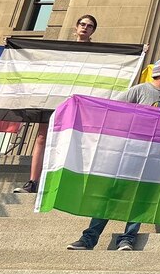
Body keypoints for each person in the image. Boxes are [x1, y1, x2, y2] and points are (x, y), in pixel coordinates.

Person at [67, 58, 160, 251]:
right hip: (129, 151)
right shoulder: (140, 90)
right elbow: (113, 108)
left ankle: (127, 238)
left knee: (139, 197)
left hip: (154, 155)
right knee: (111, 194)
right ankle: (89, 239)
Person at [14, 14, 99, 194]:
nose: (85, 27)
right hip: (53, 97)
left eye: (89, 26)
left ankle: (65, 184)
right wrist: (13, 47)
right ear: (76, 27)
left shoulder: (96, 52)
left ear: (92, 31)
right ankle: (33, 182)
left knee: (72, 140)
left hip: (76, 102)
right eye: (82, 24)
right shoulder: (59, 49)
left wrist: (141, 51)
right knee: (41, 137)